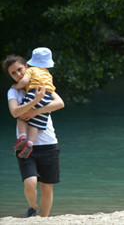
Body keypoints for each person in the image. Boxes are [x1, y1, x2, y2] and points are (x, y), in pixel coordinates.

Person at [4, 53, 65, 218]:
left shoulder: (42, 82)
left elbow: (60, 103)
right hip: (25, 146)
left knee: (47, 187)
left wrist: (36, 110)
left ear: (27, 68)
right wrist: (34, 101)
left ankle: (43, 220)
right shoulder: (13, 92)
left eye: (19, 70)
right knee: (30, 183)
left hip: (49, 144)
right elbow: (15, 112)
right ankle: (32, 207)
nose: (18, 75)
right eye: (13, 73)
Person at [11, 47, 57, 159]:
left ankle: (22, 137)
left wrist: (16, 86)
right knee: (35, 123)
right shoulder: (48, 74)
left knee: (22, 116)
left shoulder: (32, 70)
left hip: (34, 93)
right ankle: (30, 143)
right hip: (47, 97)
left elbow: (25, 81)